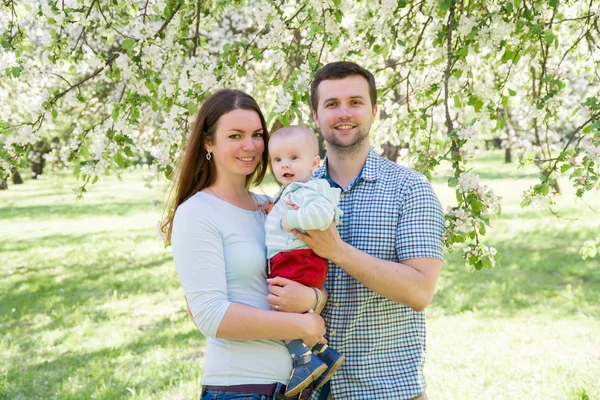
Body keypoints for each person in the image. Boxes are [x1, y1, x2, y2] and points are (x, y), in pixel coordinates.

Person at [266, 62, 445, 400]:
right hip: (307, 391)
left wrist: (336, 250)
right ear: (316, 117)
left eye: (355, 102)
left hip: (387, 390)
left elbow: (420, 291)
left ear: (374, 111)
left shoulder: (410, 189)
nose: (343, 112)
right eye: (332, 104)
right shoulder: (291, 194)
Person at [164, 89, 326, 400]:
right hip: (242, 388)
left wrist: (313, 297)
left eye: (257, 135)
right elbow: (211, 316)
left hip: (298, 390)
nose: (249, 146)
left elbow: (309, 274)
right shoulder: (198, 212)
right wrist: (301, 326)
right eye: (235, 135)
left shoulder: (272, 207)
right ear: (208, 142)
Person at [264, 126, 346, 398]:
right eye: (277, 159)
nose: (284, 164)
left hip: (296, 258)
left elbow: (322, 215)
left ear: (314, 163)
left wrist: (290, 221)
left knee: (280, 312)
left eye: (293, 157)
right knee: (291, 314)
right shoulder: (293, 190)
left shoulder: (307, 188)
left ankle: (304, 360)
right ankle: (325, 353)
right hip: (294, 258)